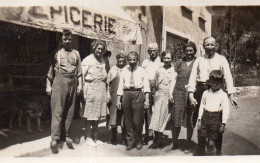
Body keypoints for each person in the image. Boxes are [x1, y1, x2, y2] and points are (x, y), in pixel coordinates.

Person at [186, 36, 237, 155]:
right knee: (202, 120)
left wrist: (231, 94)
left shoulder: (221, 59)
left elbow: (228, 77)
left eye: (212, 45)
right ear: (203, 46)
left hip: (217, 89)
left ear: (216, 46)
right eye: (207, 45)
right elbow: (192, 78)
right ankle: (201, 150)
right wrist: (191, 95)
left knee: (216, 120)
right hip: (201, 90)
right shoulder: (198, 60)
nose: (210, 47)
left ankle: (217, 150)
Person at [46, 29, 83, 152]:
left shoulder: (76, 54)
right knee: (58, 109)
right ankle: (55, 137)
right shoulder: (56, 53)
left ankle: (66, 135)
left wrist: (80, 85)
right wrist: (48, 85)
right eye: (65, 39)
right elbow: (50, 71)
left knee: (70, 110)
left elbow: (79, 72)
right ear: (61, 40)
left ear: (71, 39)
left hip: (73, 81)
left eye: (69, 39)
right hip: (59, 81)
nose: (67, 41)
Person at [117, 51, 150, 150]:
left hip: (138, 94)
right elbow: (120, 86)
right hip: (126, 94)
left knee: (137, 120)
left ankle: (138, 140)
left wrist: (147, 100)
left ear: (137, 60)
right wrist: (119, 100)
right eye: (130, 59)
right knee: (128, 121)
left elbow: (146, 86)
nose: (132, 61)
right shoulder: (124, 71)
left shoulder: (142, 71)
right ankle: (130, 141)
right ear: (127, 60)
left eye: (134, 59)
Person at [169, 41, 196, 150]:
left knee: (189, 118)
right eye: (187, 51)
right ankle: (174, 142)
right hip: (178, 92)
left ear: (194, 51)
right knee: (176, 118)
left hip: (191, 93)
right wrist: (170, 92)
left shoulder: (197, 62)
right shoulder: (179, 62)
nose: (189, 53)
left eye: (191, 50)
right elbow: (173, 78)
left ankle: (188, 142)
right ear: (184, 52)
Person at [81, 40, 108, 146]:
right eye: (98, 48)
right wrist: (83, 91)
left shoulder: (103, 61)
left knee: (97, 116)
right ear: (94, 48)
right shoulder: (87, 60)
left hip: (101, 90)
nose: (100, 51)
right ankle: (88, 138)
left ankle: (95, 137)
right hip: (91, 89)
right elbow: (81, 77)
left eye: (102, 49)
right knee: (89, 116)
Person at [197, 70, 230, 155]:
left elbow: (226, 110)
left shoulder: (223, 95)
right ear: (209, 81)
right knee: (202, 141)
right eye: (213, 82)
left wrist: (223, 124)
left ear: (221, 83)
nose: (215, 84)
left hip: (215, 119)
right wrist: (199, 119)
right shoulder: (205, 93)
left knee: (211, 144)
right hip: (205, 118)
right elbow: (201, 106)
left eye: (217, 82)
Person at [148, 50, 177, 149]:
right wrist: (154, 94)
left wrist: (170, 95)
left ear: (171, 59)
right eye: (165, 58)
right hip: (158, 95)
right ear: (162, 59)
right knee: (156, 116)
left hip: (168, 96)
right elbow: (155, 83)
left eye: (168, 58)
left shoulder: (174, 71)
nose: (166, 60)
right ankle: (156, 139)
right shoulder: (159, 70)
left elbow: (173, 84)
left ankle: (160, 139)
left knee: (163, 117)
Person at [142, 43, 162, 144]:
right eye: (150, 51)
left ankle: (157, 135)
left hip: (158, 88)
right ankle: (148, 134)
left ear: (157, 50)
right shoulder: (145, 62)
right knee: (147, 111)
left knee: (157, 111)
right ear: (148, 52)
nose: (152, 52)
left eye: (154, 50)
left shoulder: (161, 62)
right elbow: (142, 75)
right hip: (147, 87)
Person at [107, 51, 127, 145]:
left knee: (124, 116)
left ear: (125, 59)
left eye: (122, 58)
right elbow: (107, 84)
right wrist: (108, 94)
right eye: (119, 58)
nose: (120, 60)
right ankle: (113, 136)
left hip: (125, 95)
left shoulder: (128, 69)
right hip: (114, 95)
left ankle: (124, 137)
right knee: (113, 116)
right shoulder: (113, 69)